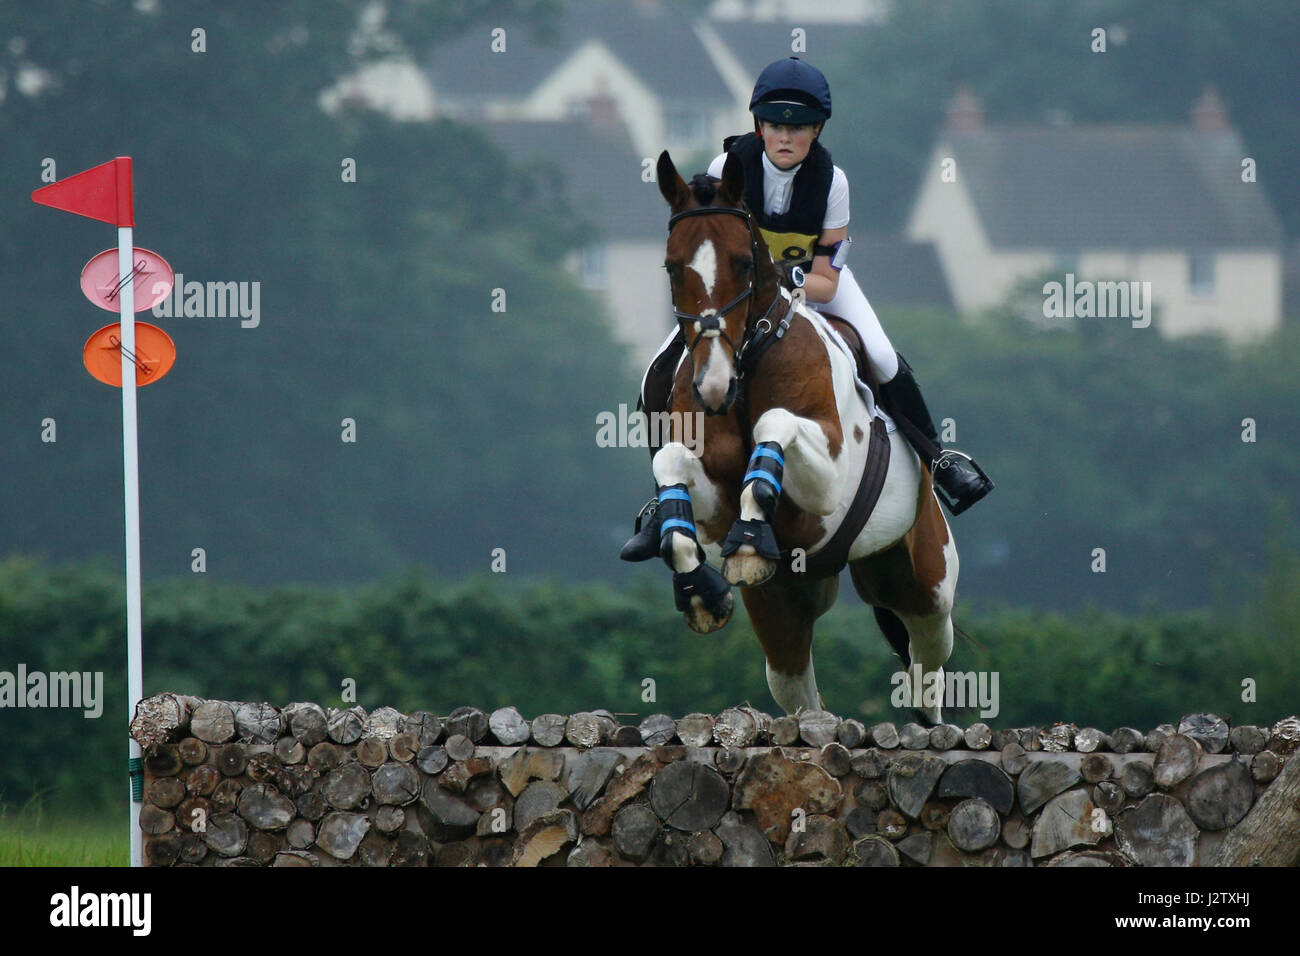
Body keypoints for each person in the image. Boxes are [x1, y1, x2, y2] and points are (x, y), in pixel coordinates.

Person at [620, 57, 992, 562]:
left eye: (797, 127)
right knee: (658, 373)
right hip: (733, 296)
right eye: (775, 124)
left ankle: (940, 458)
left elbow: (826, 277)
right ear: (759, 126)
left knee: (881, 355)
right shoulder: (722, 171)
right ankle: (662, 503)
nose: (785, 136)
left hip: (812, 284)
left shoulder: (831, 182)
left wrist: (781, 282)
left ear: (816, 130)